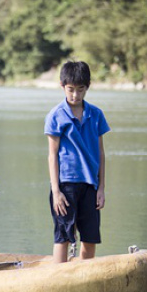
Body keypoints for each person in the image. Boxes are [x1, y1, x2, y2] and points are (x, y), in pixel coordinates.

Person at [44, 61, 110, 263]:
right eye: (71, 89)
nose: (75, 95)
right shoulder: (56, 116)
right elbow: (52, 155)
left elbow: (100, 152)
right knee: (63, 237)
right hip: (65, 185)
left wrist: (101, 188)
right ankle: (58, 281)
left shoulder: (96, 114)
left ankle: (84, 282)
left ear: (88, 86)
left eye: (80, 89)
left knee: (90, 239)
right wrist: (56, 191)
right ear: (62, 86)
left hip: (90, 185)